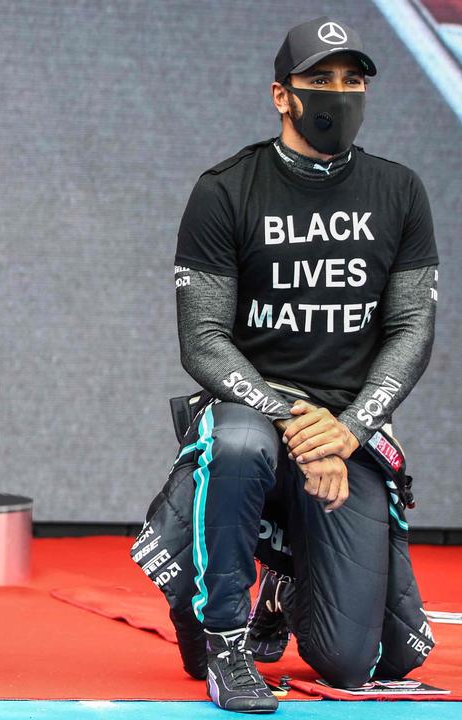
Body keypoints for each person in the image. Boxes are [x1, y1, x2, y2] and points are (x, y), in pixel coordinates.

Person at [133, 16, 439, 713]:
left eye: (352, 81)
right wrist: (301, 421)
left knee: (349, 661)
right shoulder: (226, 190)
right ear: (282, 95)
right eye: (319, 81)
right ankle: (223, 636)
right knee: (237, 441)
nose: (339, 94)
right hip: (258, 411)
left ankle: (280, 584)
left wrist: (353, 428)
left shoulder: (399, 192)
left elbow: (412, 327)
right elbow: (204, 339)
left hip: (345, 436)